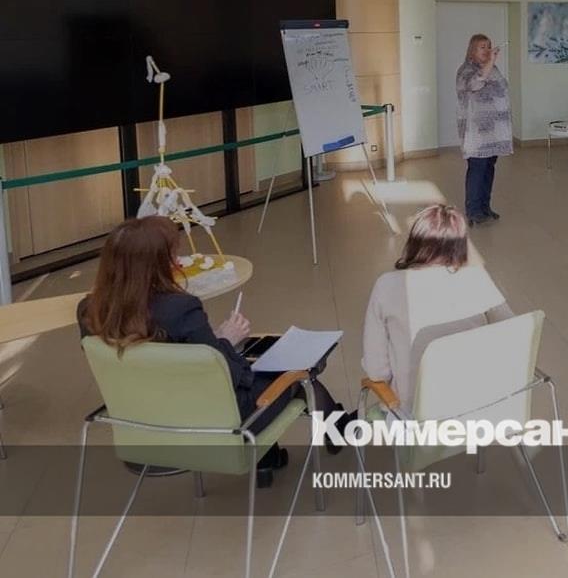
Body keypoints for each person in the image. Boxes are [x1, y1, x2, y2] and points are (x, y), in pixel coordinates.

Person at [77, 216, 345, 485]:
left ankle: (271, 457)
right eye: (173, 255)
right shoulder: (181, 309)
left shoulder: (89, 311)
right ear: (157, 264)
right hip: (211, 428)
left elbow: (155, 359)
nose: (178, 262)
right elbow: (231, 377)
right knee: (297, 375)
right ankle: (338, 431)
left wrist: (213, 343)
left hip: (141, 429)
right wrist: (226, 340)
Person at [362, 204, 514, 416]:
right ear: (461, 245)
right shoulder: (477, 278)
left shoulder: (387, 285)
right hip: (478, 411)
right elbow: (512, 332)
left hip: (414, 418)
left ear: (414, 243)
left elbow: (376, 371)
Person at [456, 34, 514, 226]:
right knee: (477, 169)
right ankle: (473, 211)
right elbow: (475, 83)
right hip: (477, 133)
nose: (487, 50)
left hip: (494, 132)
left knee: (489, 169)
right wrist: (490, 63)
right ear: (472, 50)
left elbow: (502, 89)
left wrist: (490, 64)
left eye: (489, 46)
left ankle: (485, 207)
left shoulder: (493, 68)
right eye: (482, 47)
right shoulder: (466, 70)